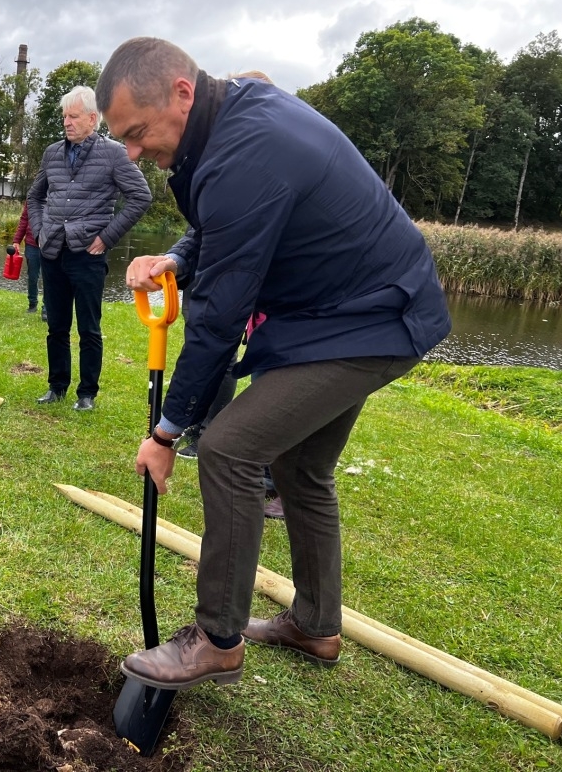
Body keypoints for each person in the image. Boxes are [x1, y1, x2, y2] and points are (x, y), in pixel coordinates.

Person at [96, 38, 450, 689]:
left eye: (138, 133)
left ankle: (215, 638)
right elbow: (223, 226)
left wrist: (167, 431)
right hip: (353, 313)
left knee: (230, 448)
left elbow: (220, 317)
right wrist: (176, 258)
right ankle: (315, 625)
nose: (135, 154)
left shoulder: (244, 149)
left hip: (367, 321)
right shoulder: (236, 119)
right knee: (300, 467)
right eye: (124, 139)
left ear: (180, 91)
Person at [27, 85, 152, 411]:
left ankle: (87, 394)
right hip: (53, 251)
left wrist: (107, 237)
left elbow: (141, 197)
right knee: (56, 325)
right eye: (64, 116)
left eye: (73, 116)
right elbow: (34, 196)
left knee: (89, 328)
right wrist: (39, 230)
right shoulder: (52, 153)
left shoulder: (114, 154)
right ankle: (57, 387)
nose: (66, 122)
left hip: (88, 255)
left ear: (93, 119)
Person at [12, 202, 45, 319]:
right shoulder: (33, 197)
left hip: (51, 245)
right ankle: (32, 303)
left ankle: (46, 308)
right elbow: (24, 219)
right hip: (32, 243)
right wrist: (16, 240)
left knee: (50, 277)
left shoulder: (57, 194)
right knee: (32, 276)